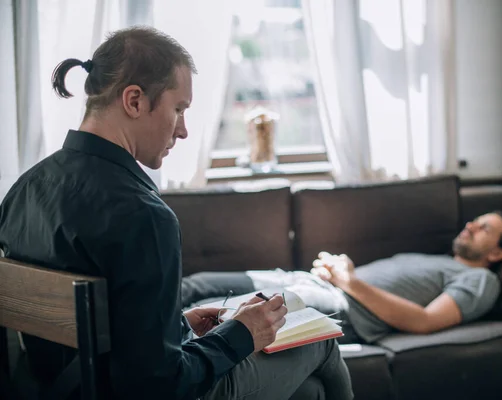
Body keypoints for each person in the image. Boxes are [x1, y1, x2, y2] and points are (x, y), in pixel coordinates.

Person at [0, 27, 352, 400]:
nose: (183, 130)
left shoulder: (23, 190)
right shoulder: (144, 216)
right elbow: (161, 386)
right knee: (321, 343)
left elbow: (98, 335)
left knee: (309, 392)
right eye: (179, 109)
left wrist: (177, 326)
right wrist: (239, 335)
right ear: (134, 101)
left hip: (61, 389)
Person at [181, 212, 502, 344]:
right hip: (314, 282)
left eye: (484, 229)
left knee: (207, 312)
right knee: (195, 284)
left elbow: (425, 321)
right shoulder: (438, 260)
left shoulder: (481, 281)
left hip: (340, 305)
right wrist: (338, 271)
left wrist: (348, 281)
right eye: (474, 221)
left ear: (497, 253)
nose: (470, 226)